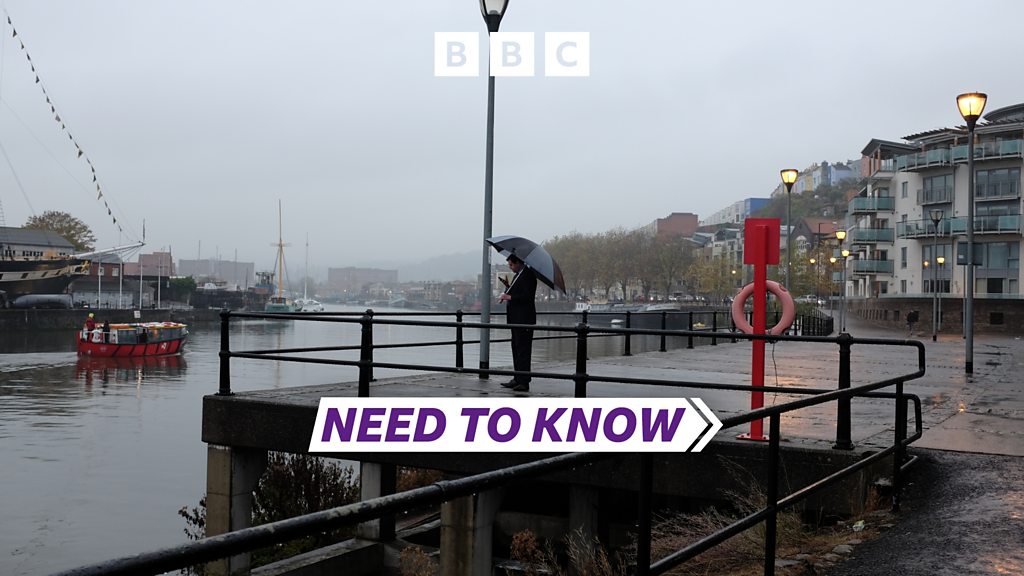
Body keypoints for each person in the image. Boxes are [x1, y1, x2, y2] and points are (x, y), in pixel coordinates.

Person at [498, 254, 537, 392]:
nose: (510, 267)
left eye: (511, 264)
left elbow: (527, 296)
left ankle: (524, 381)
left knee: (523, 350)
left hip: (524, 319)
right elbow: (519, 292)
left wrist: (509, 296)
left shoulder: (528, 275)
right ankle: (517, 378)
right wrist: (508, 287)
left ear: (518, 263)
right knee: (516, 348)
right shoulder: (518, 275)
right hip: (516, 319)